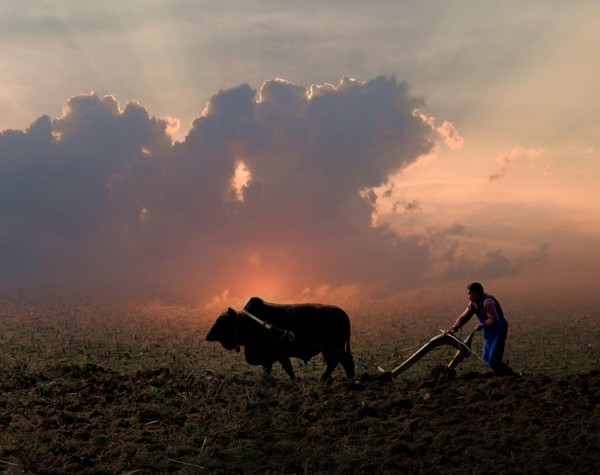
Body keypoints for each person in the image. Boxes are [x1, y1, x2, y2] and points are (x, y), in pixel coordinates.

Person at [447, 282, 513, 375]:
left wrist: (482, 325)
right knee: (486, 357)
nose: (468, 297)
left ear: (476, 294)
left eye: (469, 294)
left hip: (498, 329)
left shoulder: (488, 302)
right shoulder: (473, 304)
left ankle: (510, 376)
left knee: (493, 359)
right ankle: (504, 375)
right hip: (489, 330)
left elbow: (494, 319)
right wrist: (454, 328)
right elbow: (464, 317)